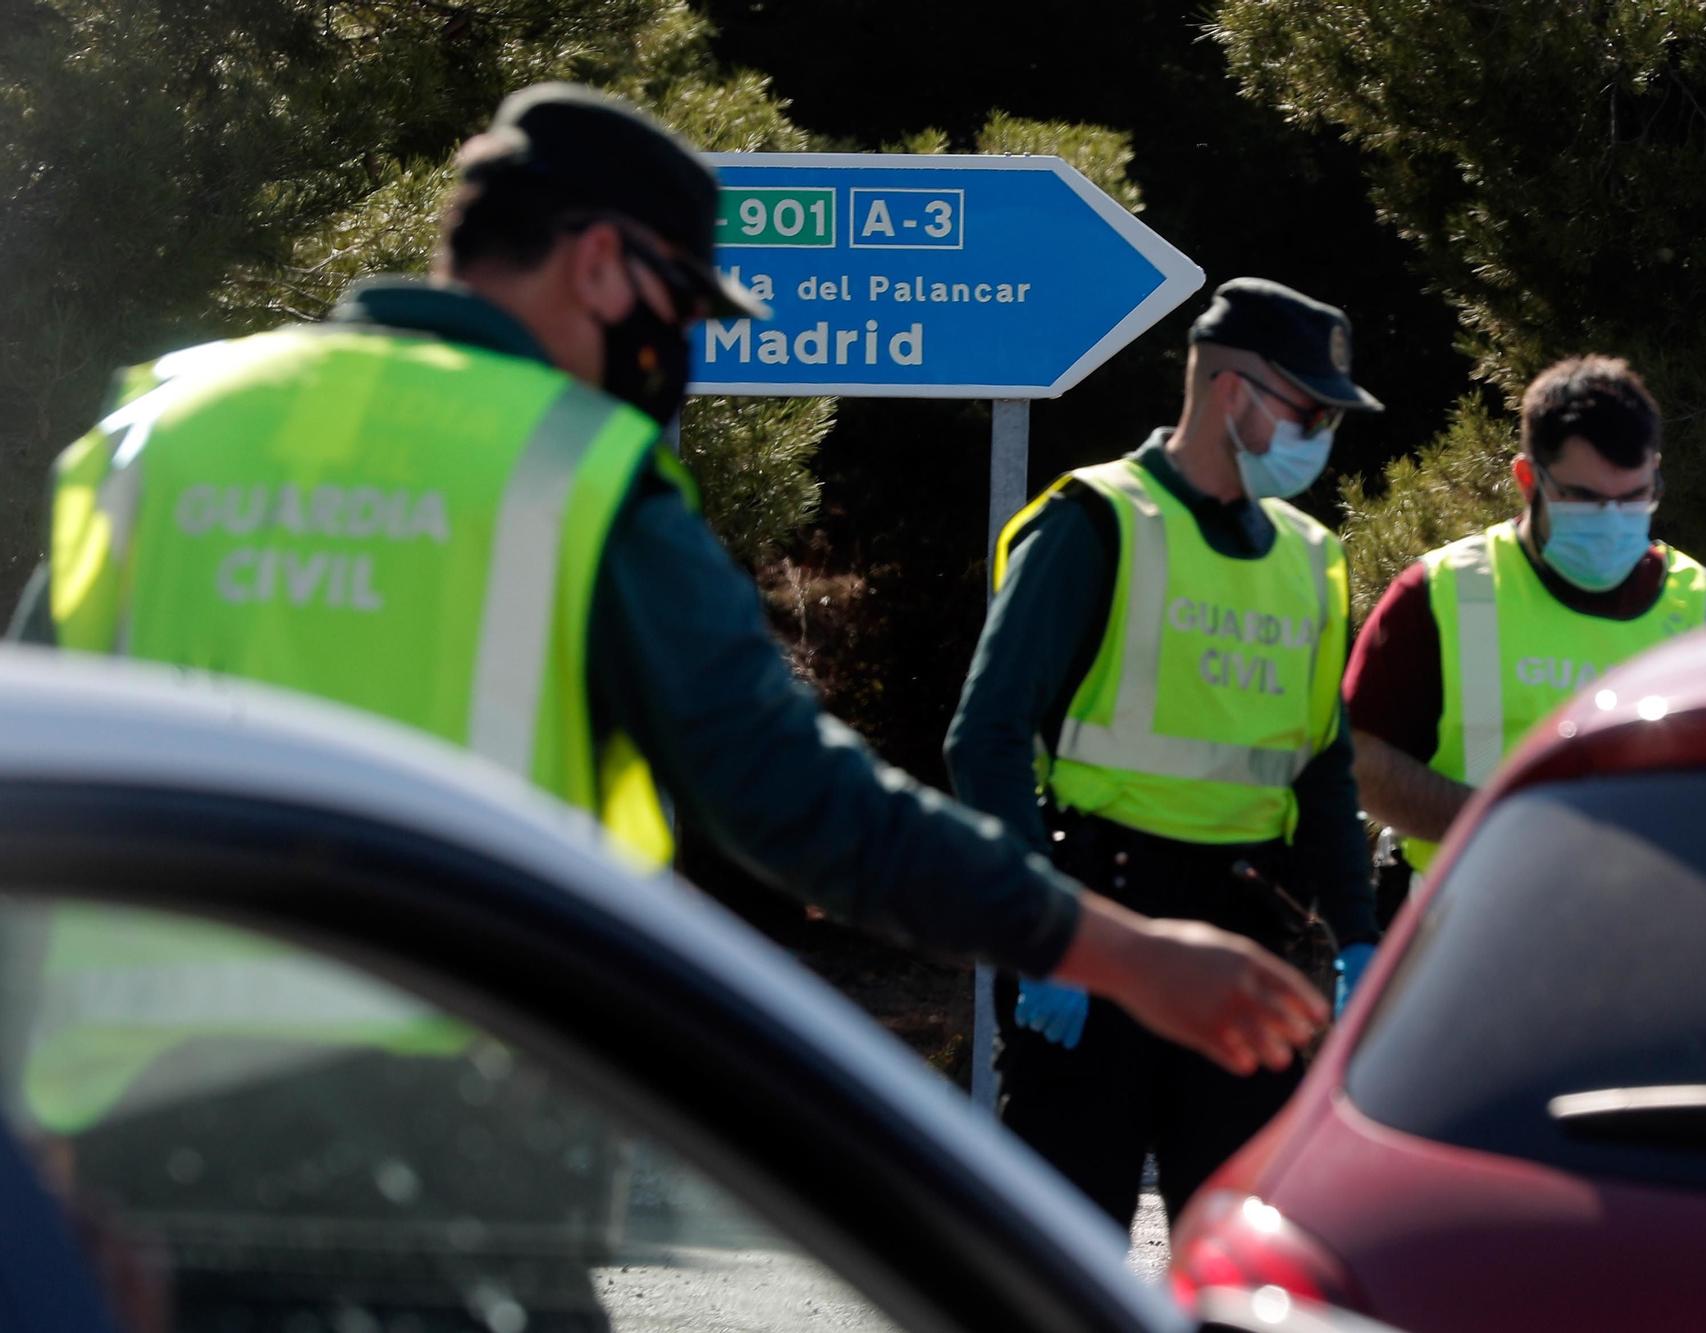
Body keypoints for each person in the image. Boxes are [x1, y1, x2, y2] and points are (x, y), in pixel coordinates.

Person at [6, 86, 1329, 1326]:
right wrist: (1116, 950)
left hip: (131, 1184)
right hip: (452, 1185)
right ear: (596, 265)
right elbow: (799, 801)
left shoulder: (160, 433)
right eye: (682, 306)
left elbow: (34, 785)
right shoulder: (563, 469)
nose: (684, 350)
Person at [945, 278, 1382, 1227]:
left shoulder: (1311, 558)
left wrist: (1355, 937)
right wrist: (1043, 932)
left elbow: (1322, 766)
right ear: (1233, 394)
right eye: (1307, 410)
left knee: (1240, 1261)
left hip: (1245, 942)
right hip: (1097, 930)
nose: (1320, 435)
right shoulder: (1096, 521)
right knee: (1061, 1265)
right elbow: (984, 735)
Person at [1344, 354, 1706, 878]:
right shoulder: (1444, 592)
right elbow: (1360, 759)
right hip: (1474, 922)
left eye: (1634, 497)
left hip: (1657, 927)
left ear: (1655, 473)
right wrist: (1505, 826)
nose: (1612, 519)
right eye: (1584, 499)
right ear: (1527, 479)